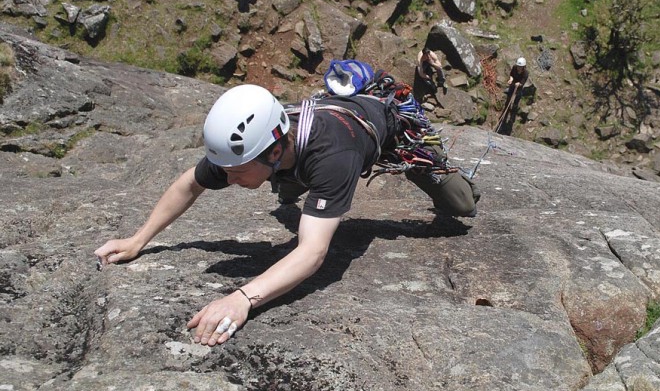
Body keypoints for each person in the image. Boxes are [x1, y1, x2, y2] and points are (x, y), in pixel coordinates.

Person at [95, 85, 479, 347]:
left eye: (236, 172)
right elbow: (188, 184)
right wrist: (137, 240)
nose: (227, 180)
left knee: (461, 206)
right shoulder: (257, 148)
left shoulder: (332, 158)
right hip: (311, 140)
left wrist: (242, 299)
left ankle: (455, 178)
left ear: (274, 151)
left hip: (389, 129)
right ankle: (291, 185)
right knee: (286, 192)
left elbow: (311, 252)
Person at [497, 57, 529, 134]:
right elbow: (511, 74)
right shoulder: (514, 67)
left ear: (523, 67)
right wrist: (511, 79)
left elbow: (523, 82)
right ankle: (507, 108)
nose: (518, 68)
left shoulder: (526, 73)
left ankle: (513, 112)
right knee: (509, 97)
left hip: (519, 87)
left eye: (520, 67)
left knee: (516, 99)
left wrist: (519, 84)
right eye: (518, 66)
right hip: (513, 84)